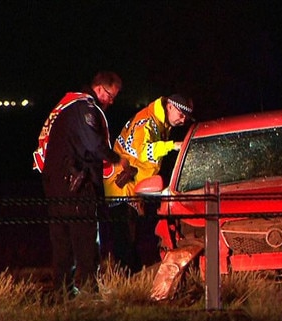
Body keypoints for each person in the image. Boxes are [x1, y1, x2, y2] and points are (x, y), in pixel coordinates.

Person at [33, 71, 126, 296]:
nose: (111, 102)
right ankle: (89, 291)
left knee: (62, 242)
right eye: (111, 96)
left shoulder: (66, 104)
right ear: (100, 89)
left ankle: (63, 291)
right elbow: (93, 145)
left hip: (55, 183)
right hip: (76, 184)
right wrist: (117, 159)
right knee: (85, 241)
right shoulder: (85, 107)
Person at [104, 94, 194, 273]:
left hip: (131, 185)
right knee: (125, 239)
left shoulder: (159, 121)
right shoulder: (147, 122)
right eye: (181, 114)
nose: (183, 120)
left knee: (130, 238)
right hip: (121, 186)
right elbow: (143, 152)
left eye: (186, 117)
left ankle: (130, 276)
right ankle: (126, 281)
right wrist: (172, 146)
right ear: (169, 106)